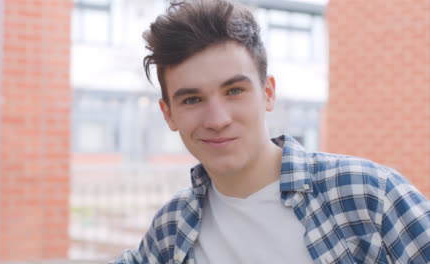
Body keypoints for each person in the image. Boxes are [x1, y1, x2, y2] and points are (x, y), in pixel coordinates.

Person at [113, 0, 430, 263]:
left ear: (268, 93)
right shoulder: (170, 230)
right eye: (192, 99)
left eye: (234, 91)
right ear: (168, 114)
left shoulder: (371, 195)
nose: (218, 119)